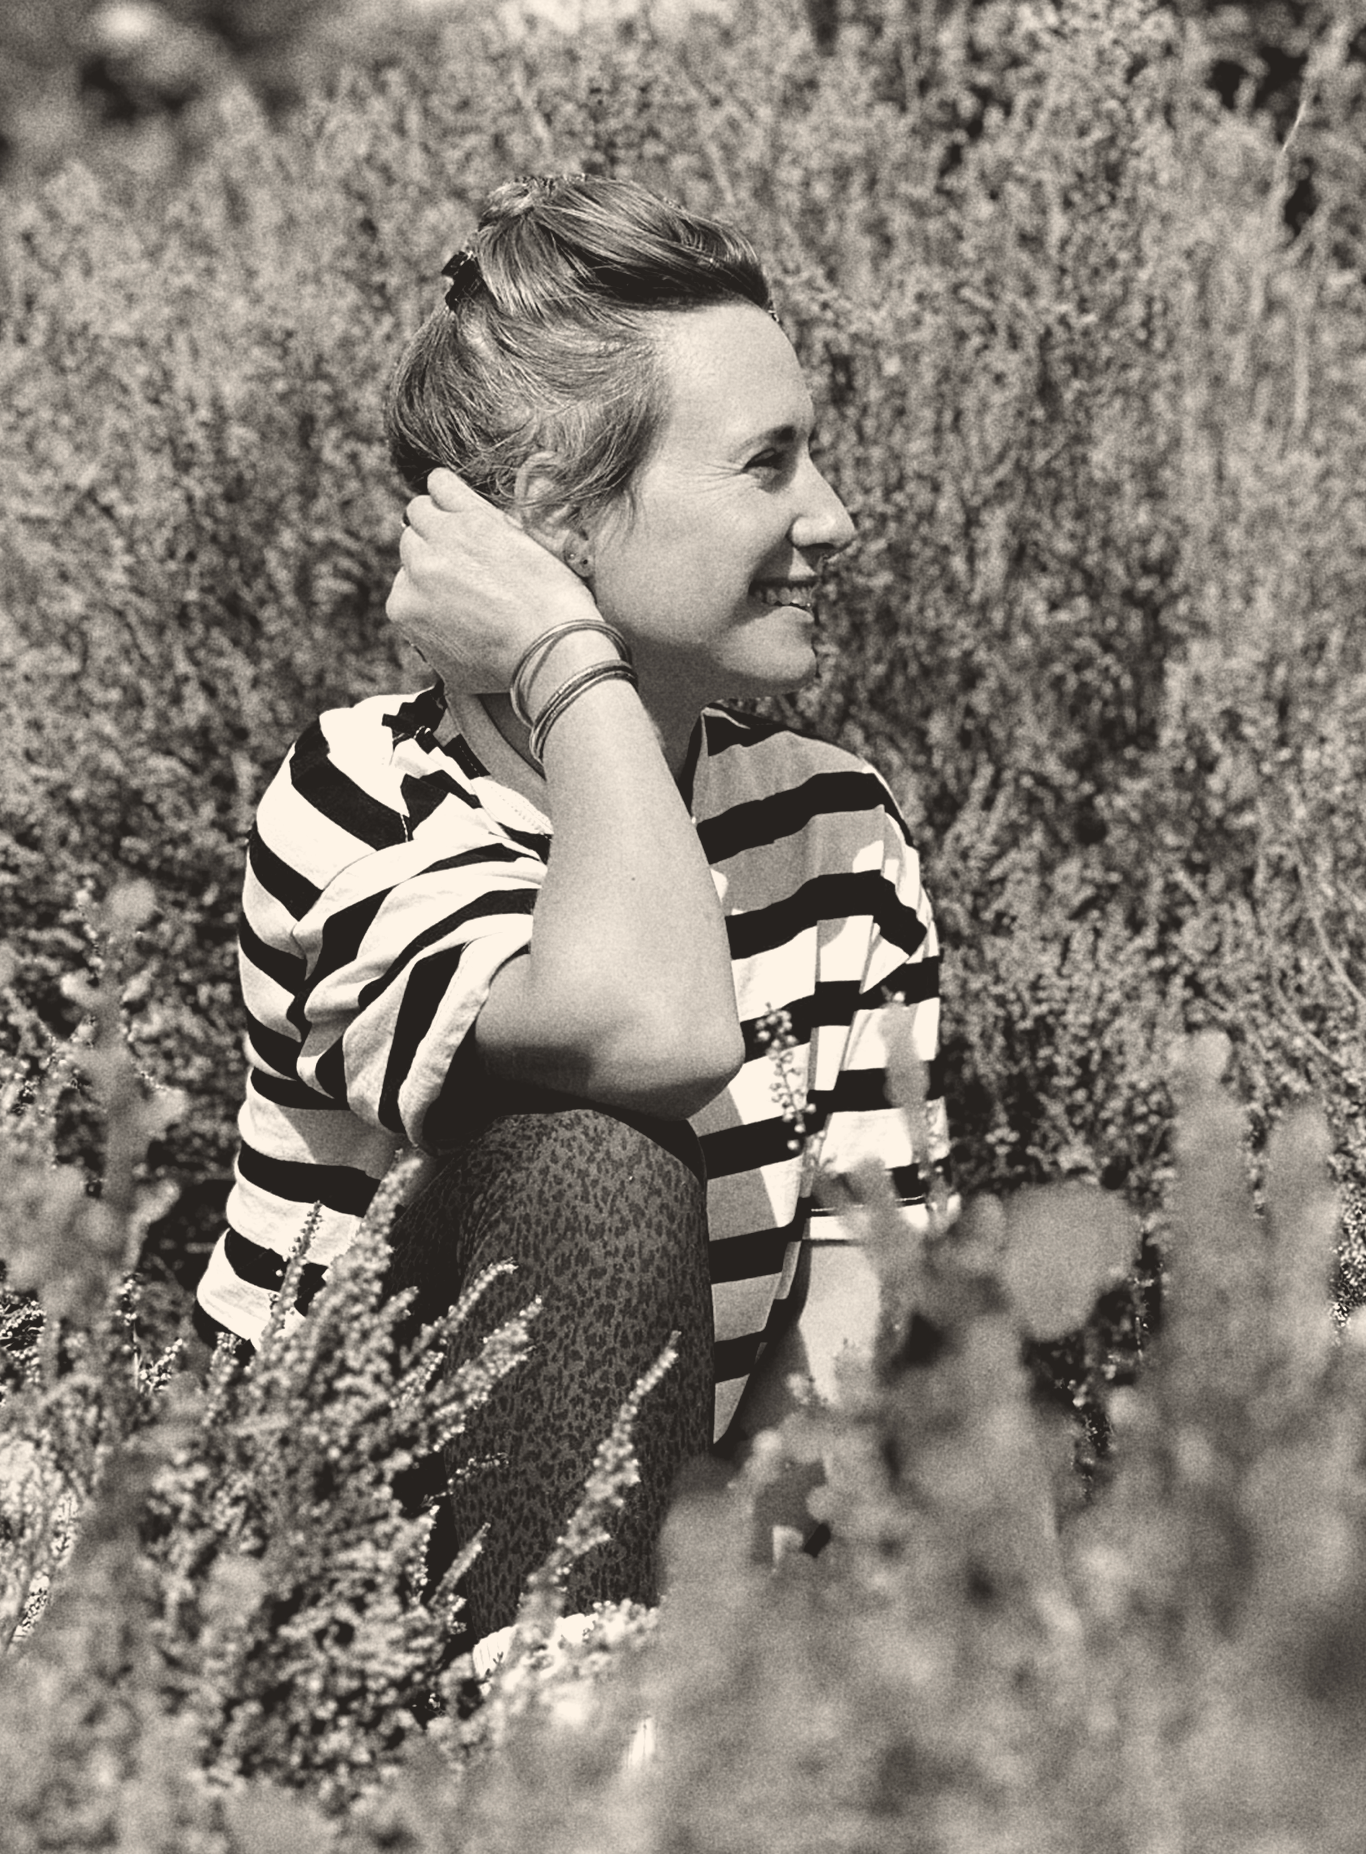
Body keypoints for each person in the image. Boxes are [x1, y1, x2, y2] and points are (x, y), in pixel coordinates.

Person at [195, 172, 948, 1649]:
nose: (835, 517)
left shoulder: (834, 830)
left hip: (654, 1602)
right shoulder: (366, 800)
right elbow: (654, 1032)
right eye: (767, 465)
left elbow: (855, 1300)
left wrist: (705, 1647)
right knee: (598, 1156)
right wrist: (560, 654)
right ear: (553, 516)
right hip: (306, 1620)